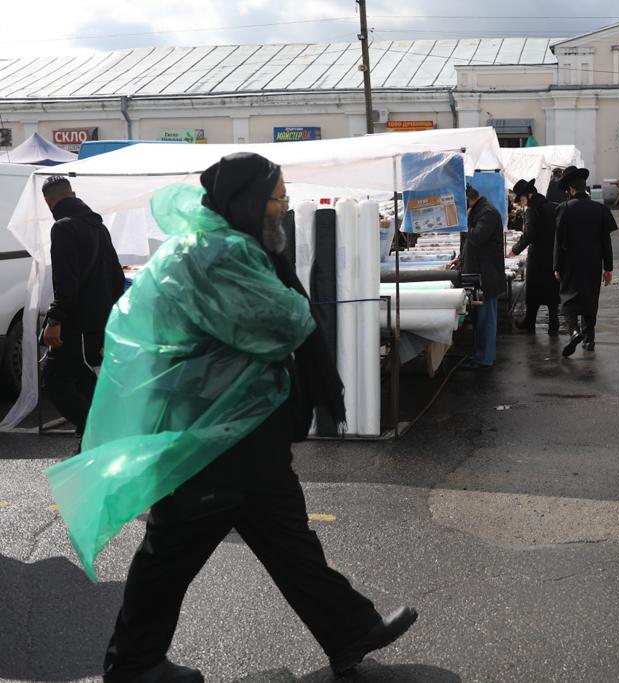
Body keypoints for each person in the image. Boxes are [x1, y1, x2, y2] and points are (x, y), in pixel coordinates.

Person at [99, 153, 416, 682]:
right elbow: (281, 321)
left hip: (239, 427)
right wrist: (298, 310)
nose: (283, 208)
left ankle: (349, 631)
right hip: (216, 429)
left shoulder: (220, 245)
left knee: (284, 537)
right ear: (248, 200)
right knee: (172, 547)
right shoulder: (220, 253)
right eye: (277, 198)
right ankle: (132, 664)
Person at [39, 175, 125, 438]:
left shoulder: (63, 228)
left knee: (55, 380)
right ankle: (93, 441)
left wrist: (54, 320)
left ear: (49, 202)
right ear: (73, 194)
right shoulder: (98, 227)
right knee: (85, 380)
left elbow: (66, 282)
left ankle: (95, 432)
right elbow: (116, 278)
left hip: (74, 323)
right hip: (98, 322)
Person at [554, 166, 615, 357]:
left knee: (567, 300)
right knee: (590, 299)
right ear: (585, 187)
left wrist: (556, 266)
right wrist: (608, 268)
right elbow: (607, 241)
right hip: (593, 262)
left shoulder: (564, 209)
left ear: (571, 190)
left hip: (570, 262)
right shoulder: (600, 209)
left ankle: (574, 332)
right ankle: (589, 339)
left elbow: (558, 241)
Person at [449, 184, 505, 369]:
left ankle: (485, 358)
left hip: (487, 276)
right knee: (482, 319)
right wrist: (461, 259)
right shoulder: (479, 212)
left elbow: (476, 237)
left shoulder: (488, 213)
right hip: (479, 273)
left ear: (468, 198)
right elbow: (470, 244)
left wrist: (462, 221)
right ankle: (482, 355)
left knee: (486, 320)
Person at [509, 178, 560, 336]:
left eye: (521, 199)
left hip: (538, 258)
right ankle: (553, 324)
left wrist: (515, 250)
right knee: (552, 292)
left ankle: (529, 321)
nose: (521, 203)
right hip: (552, 256)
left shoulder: (532, 209)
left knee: (533, 292)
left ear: (528, 195)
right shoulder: (553, 207)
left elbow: (529, 235)